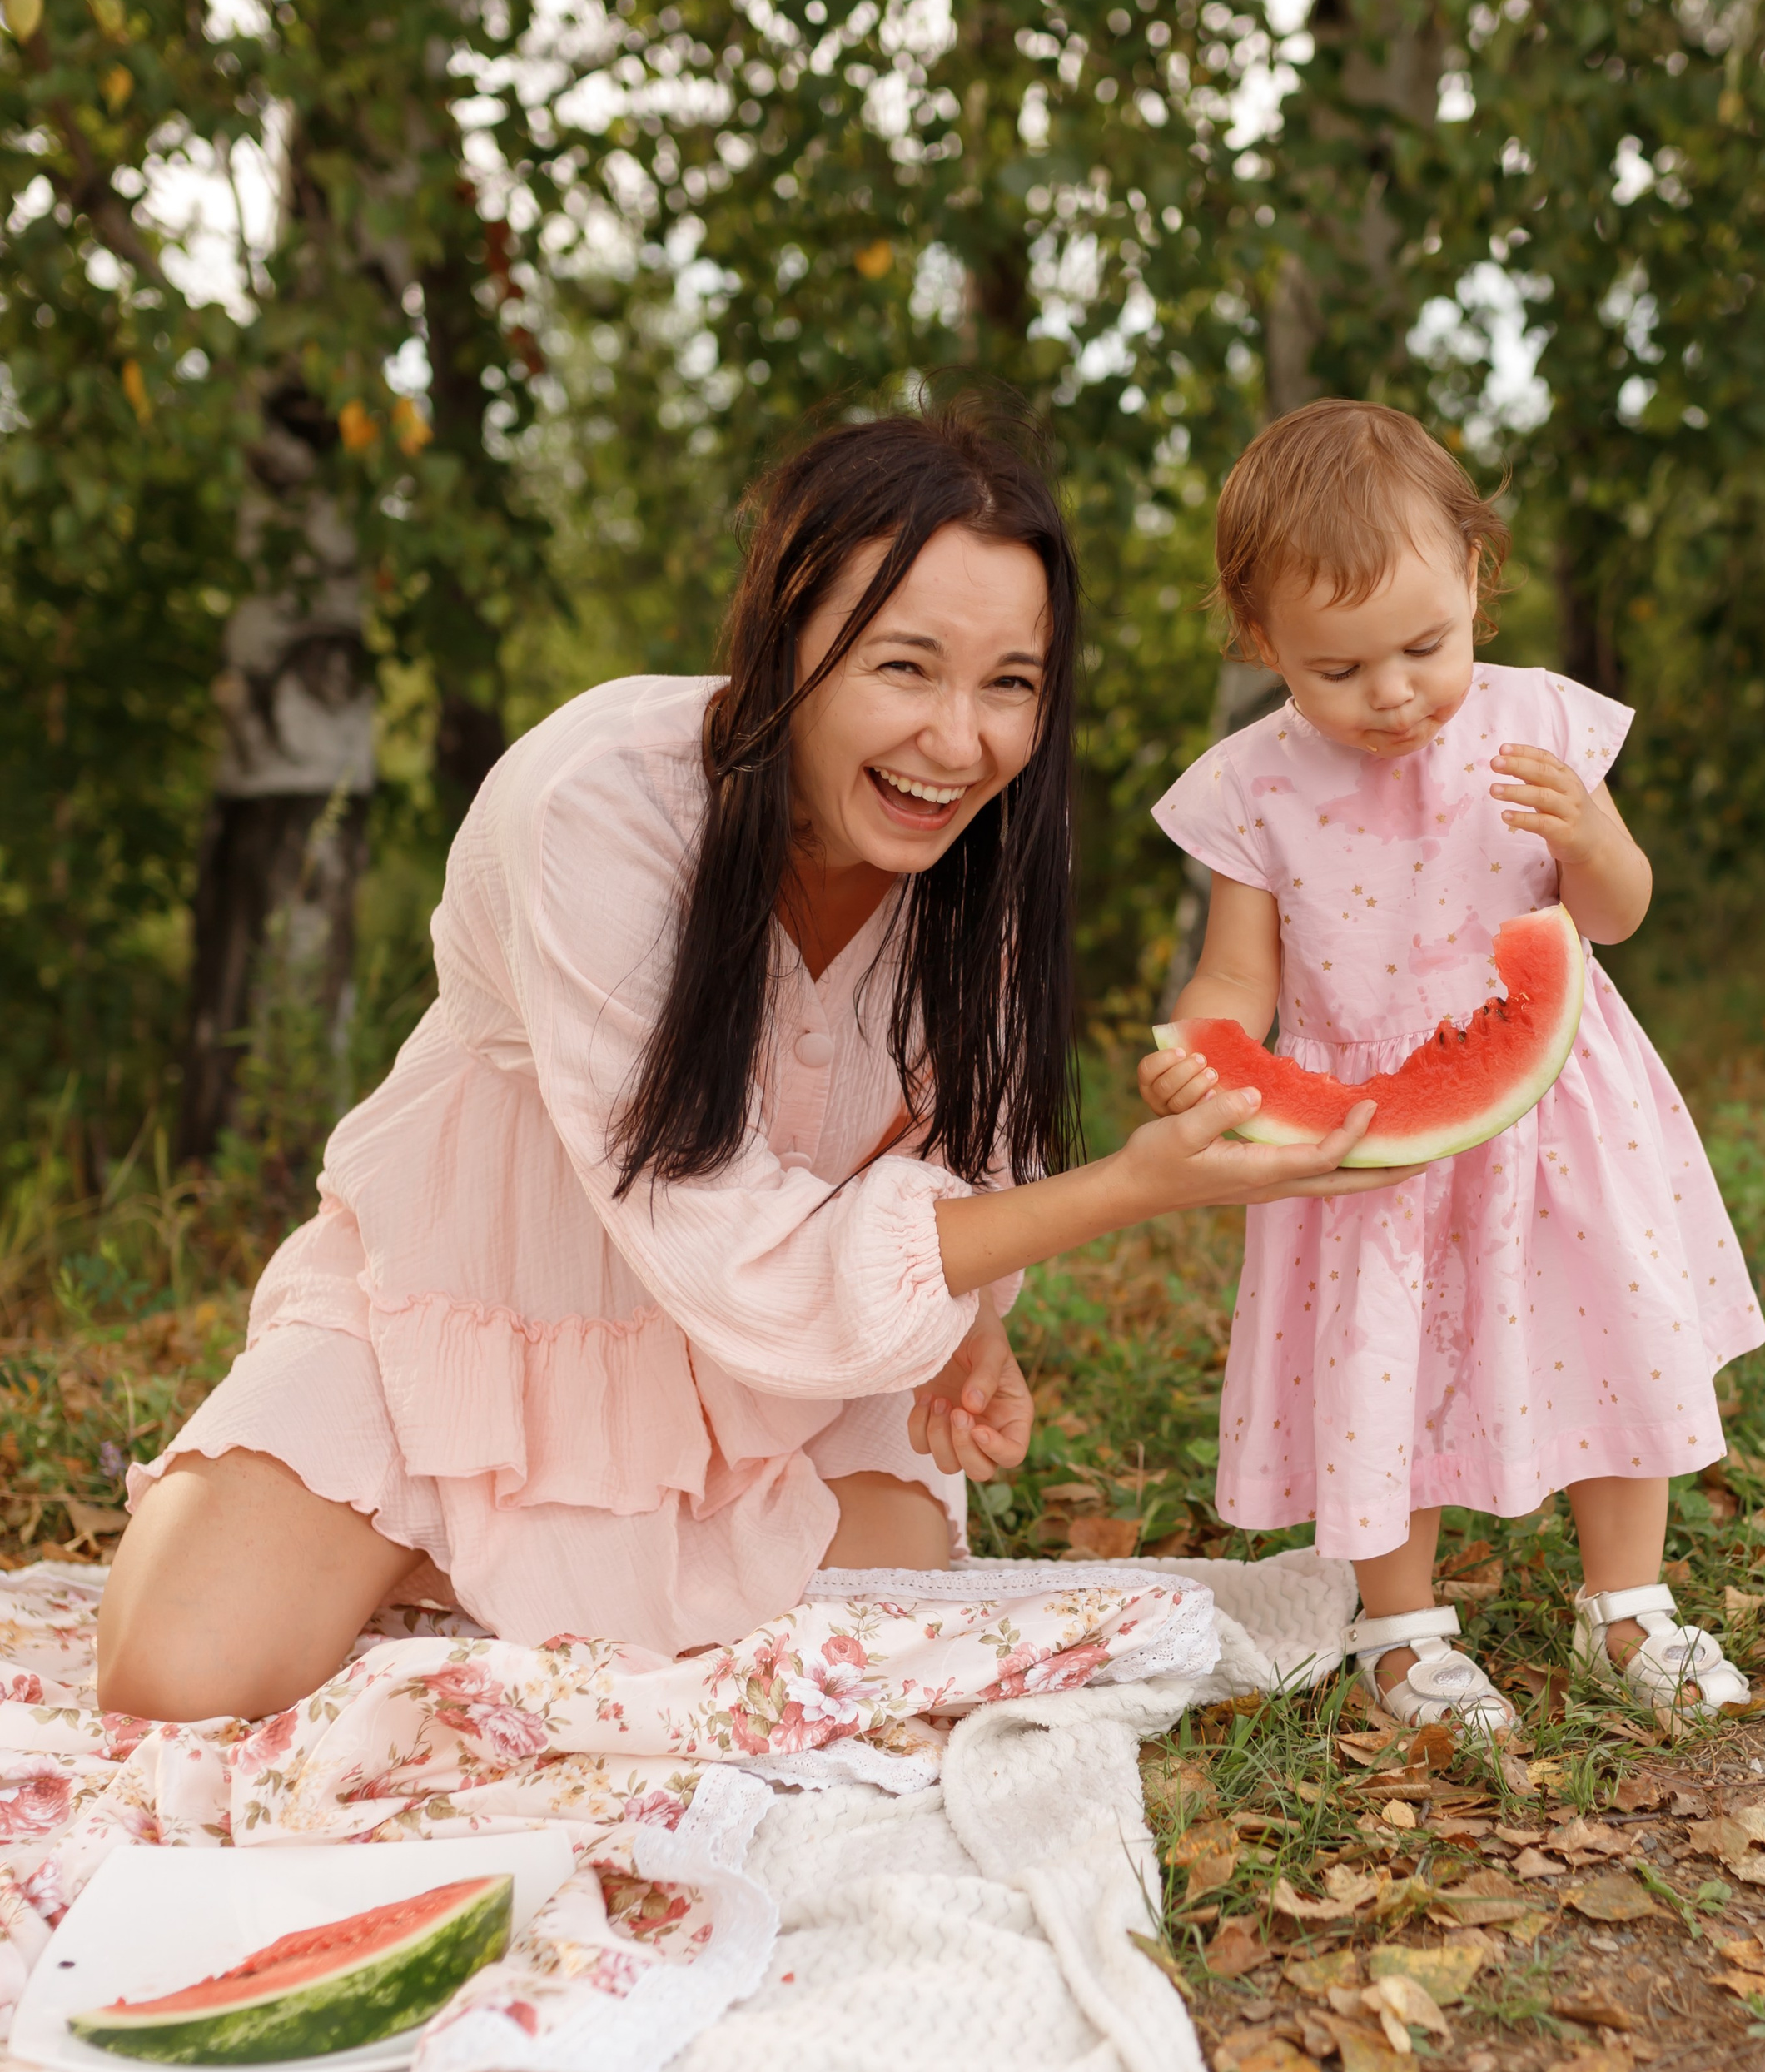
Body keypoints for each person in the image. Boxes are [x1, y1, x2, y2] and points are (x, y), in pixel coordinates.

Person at [97, 399, 1411, 1724]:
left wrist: (974, 1330)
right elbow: (717, 1237)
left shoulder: (987, 852)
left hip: (779, 1373)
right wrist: (1136, 1186)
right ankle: (444, 1544)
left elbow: (965, 1147)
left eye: (1011, 684)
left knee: (873, 1644)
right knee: (175, 1673)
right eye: (904, 667)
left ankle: (473, 1581)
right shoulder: (596, 805)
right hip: (459, 1318)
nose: (960, 743)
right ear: (788, 643)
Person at [1140, 400, 1765, 1733]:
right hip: (1370, 1131)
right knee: (1382, 1360)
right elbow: (1238, 979)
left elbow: (1615, 916)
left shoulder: (1541, 722)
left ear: (1478, 578)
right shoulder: (1250, 787)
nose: (1393, 693)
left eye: (1425, 647)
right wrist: (1207, 1058)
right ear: (1261, 640)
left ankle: (1629, 1605)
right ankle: (1401, 1627)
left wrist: (1591, 839)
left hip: (1562, 1107)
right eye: (1337, 667)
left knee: (1611, 1331)